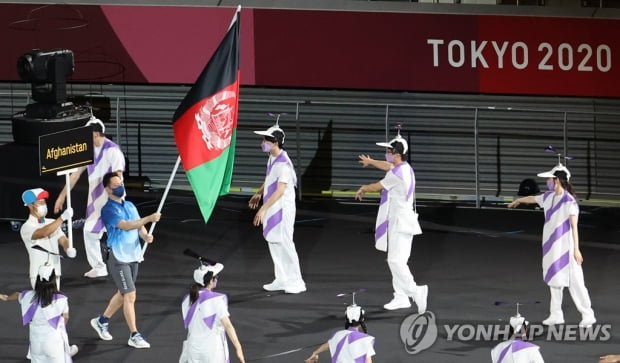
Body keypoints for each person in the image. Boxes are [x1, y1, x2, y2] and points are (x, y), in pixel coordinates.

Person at [508, 163, 596, 328]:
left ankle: (588, 314)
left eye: (549, 178)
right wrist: (519, 200)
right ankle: (556, 314)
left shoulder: (569, 202)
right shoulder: (548, 197)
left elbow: (574, 227)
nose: (547, 181)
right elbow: (533, 198)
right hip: (552, 249)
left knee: (576, 283)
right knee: (554, 281)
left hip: (567, 250)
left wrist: (576, 249)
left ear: (557, 180)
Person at [355, 132, 428, 311]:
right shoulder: (404, 167)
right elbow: (387, 166)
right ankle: (401, 297)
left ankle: (416, 290)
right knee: (397, 260)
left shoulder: (397, 174)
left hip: (400, 222)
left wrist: (364, 188)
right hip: (400, 220)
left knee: (396, 261)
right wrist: (371, 162)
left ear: (397, 153)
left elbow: (378, 186)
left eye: (389, 150)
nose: (386, 153)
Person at [89, 172, 161, 349]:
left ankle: (102, 321)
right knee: (130, 294)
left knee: (123, 293)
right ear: (108, 189)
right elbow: (126, 225)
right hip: (118, 257)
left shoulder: (129, 205)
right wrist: (149, 218)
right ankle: (134, 334)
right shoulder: (108, 210)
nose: (121, 186)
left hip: (133, 255)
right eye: (116, 185)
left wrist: (145, 236)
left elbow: (138, 225)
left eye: (121, 183)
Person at [54, 116, 125, 278]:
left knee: (119, 230)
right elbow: (75, 174)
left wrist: (115, 197)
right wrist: (62, 196)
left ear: (95, 134)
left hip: (112, 197)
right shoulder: (87, 150)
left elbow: (118, 175)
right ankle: (99, 267)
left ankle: (126, 260)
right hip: (95, 200)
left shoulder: (113, 151)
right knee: (90, 231)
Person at [248, 123, 306, 294]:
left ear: (275, 142)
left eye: (265, 140)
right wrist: (259, 193)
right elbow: (270, 178)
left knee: (286, 244)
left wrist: (262, 209)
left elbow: (280, 190)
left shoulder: (284, 165)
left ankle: (297, 281)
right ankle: (281, 278)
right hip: (273, 207)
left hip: (282, 209)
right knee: (273, 242)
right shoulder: (273, 158)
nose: (262, 142)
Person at [0, 264, 78, 362]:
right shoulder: (61, 299)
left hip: (35, 345)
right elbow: (66, 317)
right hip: (53, 344)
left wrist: (6, 298)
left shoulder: (27, 296)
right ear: (53, 281)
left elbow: (17, 295)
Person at [179, 262, 245, 363]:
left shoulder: (187, 299)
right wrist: (238, 348)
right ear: (211, 281)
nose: (216, 279)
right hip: (213, 351)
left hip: (193, 349)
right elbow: (228, 326)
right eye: (216, 277)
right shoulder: (217, 300)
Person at [20, 188, 76, 289]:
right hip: (38, 274)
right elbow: (43, 233)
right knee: (42, 303)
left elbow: (63, 239)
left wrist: (68, 248)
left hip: (55, 271)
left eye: (44, 202)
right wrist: (62, 218)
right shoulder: (26, 227)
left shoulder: (52, 222)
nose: (43, 205)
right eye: (40, 203)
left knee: (56, 303)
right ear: (30, 205)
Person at [305, 301, 375, 362]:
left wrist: (316, 352)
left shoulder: (338, 335)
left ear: (346, 320)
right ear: (362, 320)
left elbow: (328, 345)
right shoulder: (364, 340)